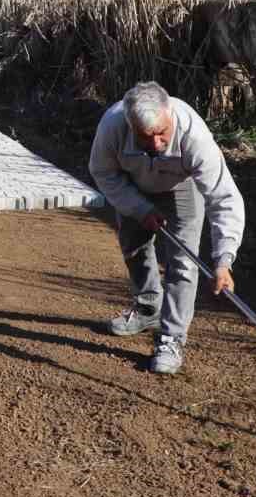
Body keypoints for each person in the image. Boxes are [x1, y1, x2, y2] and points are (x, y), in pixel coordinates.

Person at [88, 81, 245, 376]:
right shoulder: (112, 125)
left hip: (181, 187)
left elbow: (223, 197)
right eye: (146, 137)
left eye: (162, 133)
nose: (157, 144)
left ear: (169, 114)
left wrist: (224, 259)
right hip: (133, 185)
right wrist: (139, 208)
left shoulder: (194, 136)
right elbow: (103, 173)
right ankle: (148, 308)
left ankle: (172, 338)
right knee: (133, 246)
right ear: (130, 125)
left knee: (183, 262)